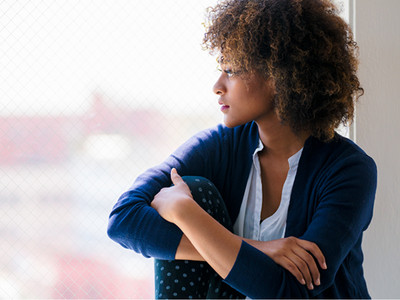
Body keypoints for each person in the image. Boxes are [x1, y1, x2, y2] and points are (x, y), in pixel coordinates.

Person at [107, 0, 377, 298]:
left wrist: (185, 212)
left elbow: (293, 291)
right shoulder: (220, 146)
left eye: (231, 70)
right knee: (196, 189)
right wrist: (260, 249)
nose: (217, 86)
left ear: (278, 76)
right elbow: (123, 219)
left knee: (189, 199)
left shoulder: (349, 170)